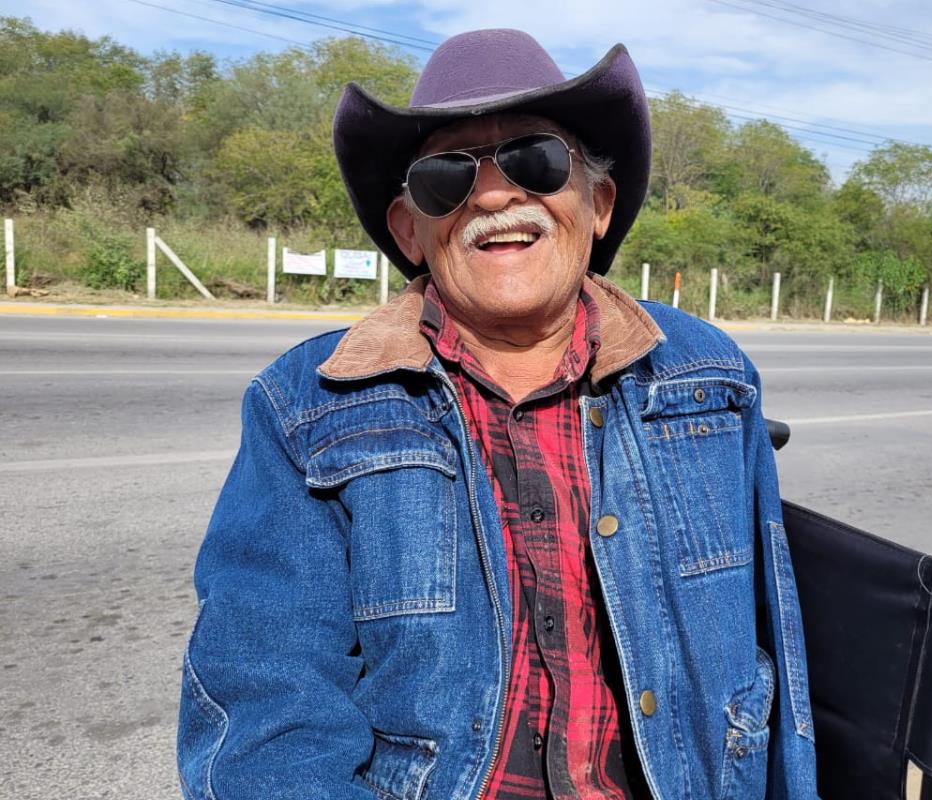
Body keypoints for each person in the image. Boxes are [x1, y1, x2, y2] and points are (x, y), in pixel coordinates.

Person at [177, 28, 818, 800]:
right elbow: (268, 715)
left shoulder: (708, 376)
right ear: (411, 228)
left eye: (535, 161)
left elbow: (768, 660)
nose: (491, 195)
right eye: (446, 177)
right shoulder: (306, 405)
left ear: (599, 205)